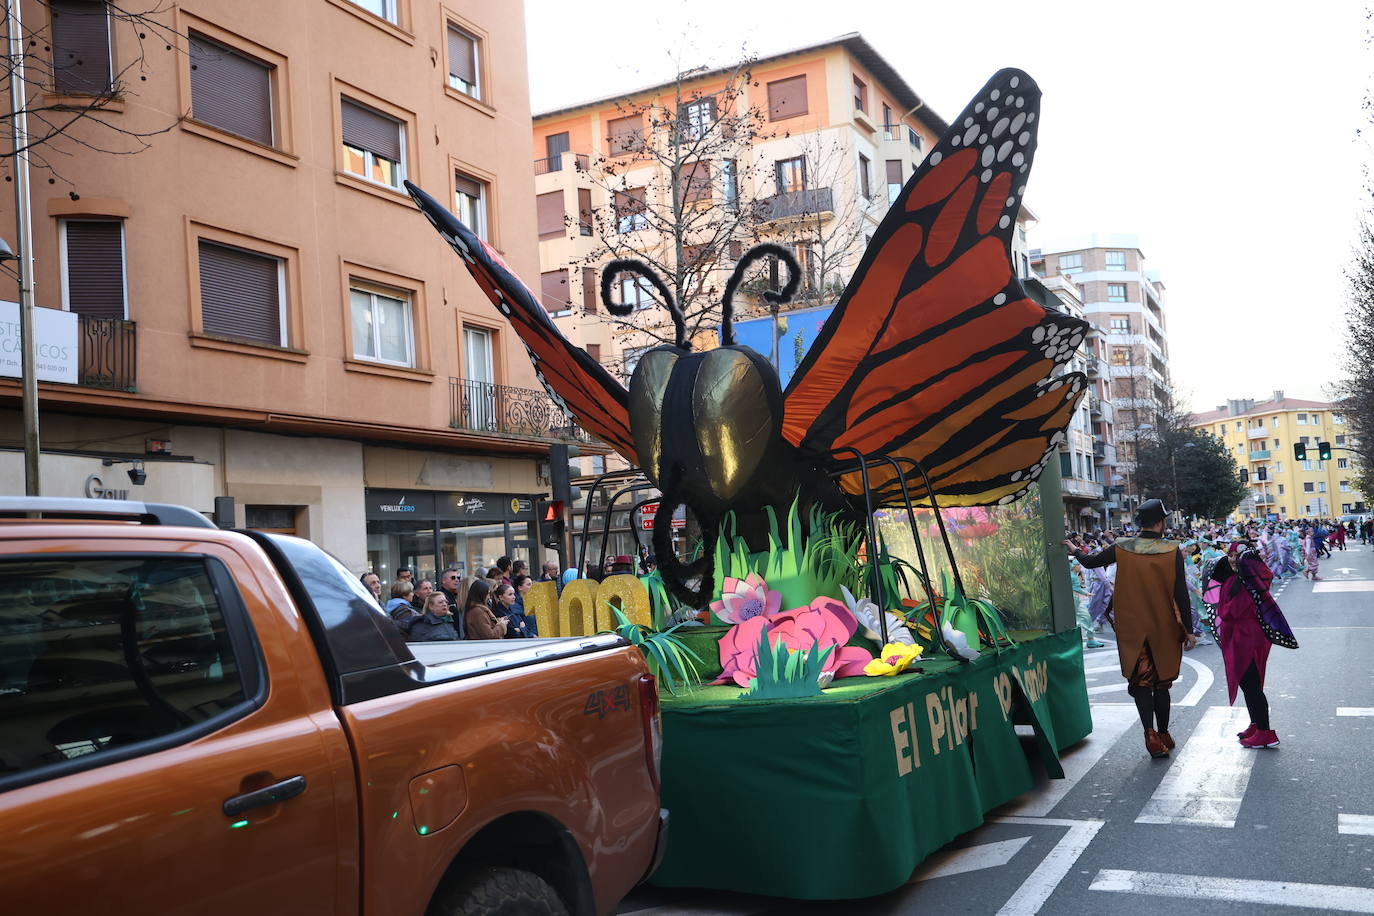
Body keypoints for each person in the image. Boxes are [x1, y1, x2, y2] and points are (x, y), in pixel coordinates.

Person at [1067, 499, 1197, 758]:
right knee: (1162, 682)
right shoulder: (1172, 551)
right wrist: (1189, 630)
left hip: (1132, 627)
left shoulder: (1121, 547)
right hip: (1165, 626)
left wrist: (1075, 549)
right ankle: (1163, 732)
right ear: (1160, 522)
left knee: (1141, 681)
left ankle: (1149, 733)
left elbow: (1091, 562)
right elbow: (1181, 593)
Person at [1206, 542, 1297, 748]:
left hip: (1246, 637)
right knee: (1247, 684)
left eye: (1235, 555)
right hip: (1240, 636)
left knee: (1252, 684)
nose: (1231, 559)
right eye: (1228, 555)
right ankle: (1256, 724)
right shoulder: (1238, 578)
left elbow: (1229, 612)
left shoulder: (1249, 581)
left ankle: (1266, 732)